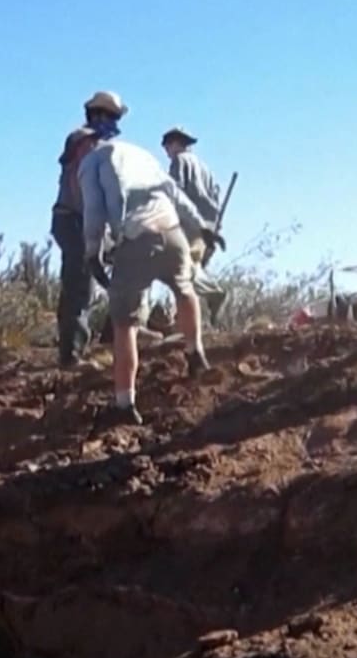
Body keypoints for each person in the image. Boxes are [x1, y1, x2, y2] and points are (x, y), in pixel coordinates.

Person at [79, 130, 211, 426]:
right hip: (172, 229)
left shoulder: (90, 162)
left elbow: (94, 211)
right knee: (184, 288)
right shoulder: (142, 155)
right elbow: (174, 193)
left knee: (124, 323)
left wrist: (93, 251)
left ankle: (125, 404)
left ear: (88, 143)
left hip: (137, 236)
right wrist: (202, 227)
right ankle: (195, 353)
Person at [51, 91, 128, 366]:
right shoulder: (87, 141)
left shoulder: (86, 141)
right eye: (112, 117)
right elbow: (81, 184)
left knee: (94, 275)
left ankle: (108, 334)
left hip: (72, 219)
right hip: (75, 219)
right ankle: (71, 356)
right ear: (100, 115)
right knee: (80, 285)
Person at [161, 126, 229, 326]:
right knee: (189, 270)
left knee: (181, 268)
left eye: (167, 146)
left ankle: (213, 293)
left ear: (174, 144)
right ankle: (184, 321)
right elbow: (215, 198)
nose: (166, 151)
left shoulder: (179, 161)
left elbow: (175, 191)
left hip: (189, 225)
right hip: (209, 227)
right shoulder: (205, 168)